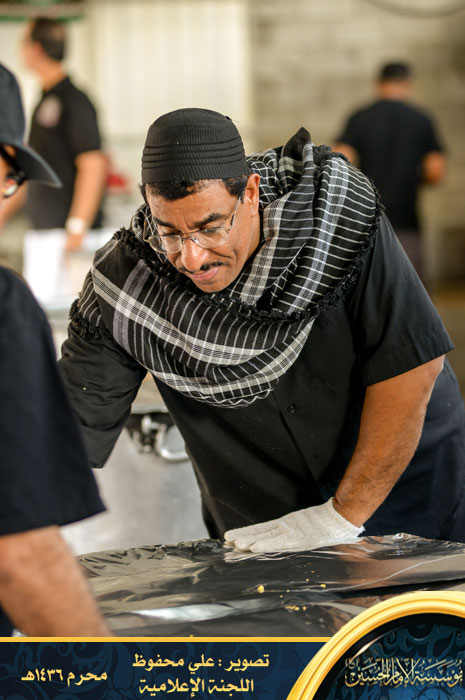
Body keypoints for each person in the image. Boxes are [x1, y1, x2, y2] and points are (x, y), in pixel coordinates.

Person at [59, 108, 465, 555]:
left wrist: (342, 514)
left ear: (250, 192)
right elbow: (69, 428)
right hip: (263, 524)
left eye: (210, 228)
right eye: (169, 232)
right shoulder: (129, 284)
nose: (192, 258)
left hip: (403, 488)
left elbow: (411, 363)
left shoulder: (334, 215)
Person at [0, 63, 109, 636]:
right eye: (8, 179)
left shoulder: (73, 101)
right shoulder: (3, 306)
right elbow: (21, 556)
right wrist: (105, 674)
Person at [0, 16, 107, 301]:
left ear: (35, 48)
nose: (20, 50)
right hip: (44, 233)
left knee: (69, 315)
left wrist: (77, 228)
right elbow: (31, 171)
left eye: (23, 43)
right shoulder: (43, 101)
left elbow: (93, 165)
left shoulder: (75, 101)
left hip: (67, 236)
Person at [334, 61, 446, 282]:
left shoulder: (359, 117)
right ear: (407, 83)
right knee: (410, 286)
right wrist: (412, 178)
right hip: (406, 218)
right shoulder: (422, 119)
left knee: (369, 284)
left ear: (378, 83)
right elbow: (435, 171)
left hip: (368, 217)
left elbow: (340, 160)